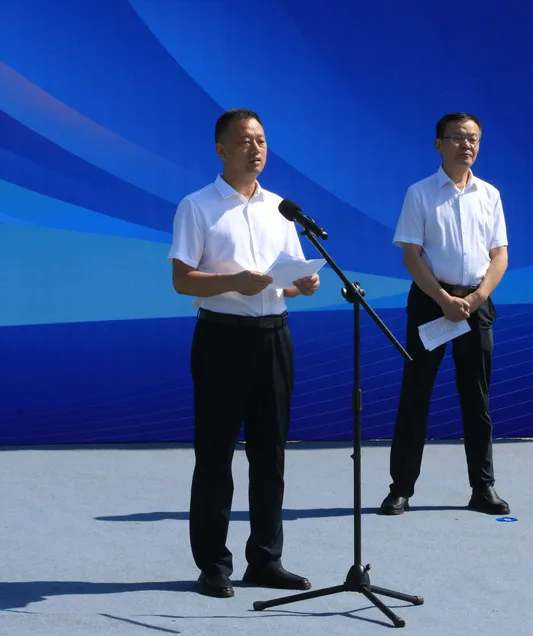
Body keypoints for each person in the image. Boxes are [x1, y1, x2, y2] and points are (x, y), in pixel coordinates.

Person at [168, 108, 320, 598]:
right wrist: (232, 280)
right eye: (245, 141)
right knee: (216, 455)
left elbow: (285, 281)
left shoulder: (280, 209)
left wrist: (302, 284)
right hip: (222, 340)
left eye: (261, 140)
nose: (256, 149)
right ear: (221, 149)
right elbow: (181, 279)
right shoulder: (197, 206)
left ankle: (266, 560)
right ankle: (213, 564)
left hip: (274, 337)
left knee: (270, 454)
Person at [380, 112, 510, 516]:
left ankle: (482, 487)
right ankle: (401, 488)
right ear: (439, 144)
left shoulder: (489, 194)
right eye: (457, 137)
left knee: (477, 398)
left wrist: (477, 297)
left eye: (473, 139)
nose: (466, 145)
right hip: (430, 303)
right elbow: (411, 255)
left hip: (476, 305)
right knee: (416, 395)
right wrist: (442, 299)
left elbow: (499, 256)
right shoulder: (420, 193)